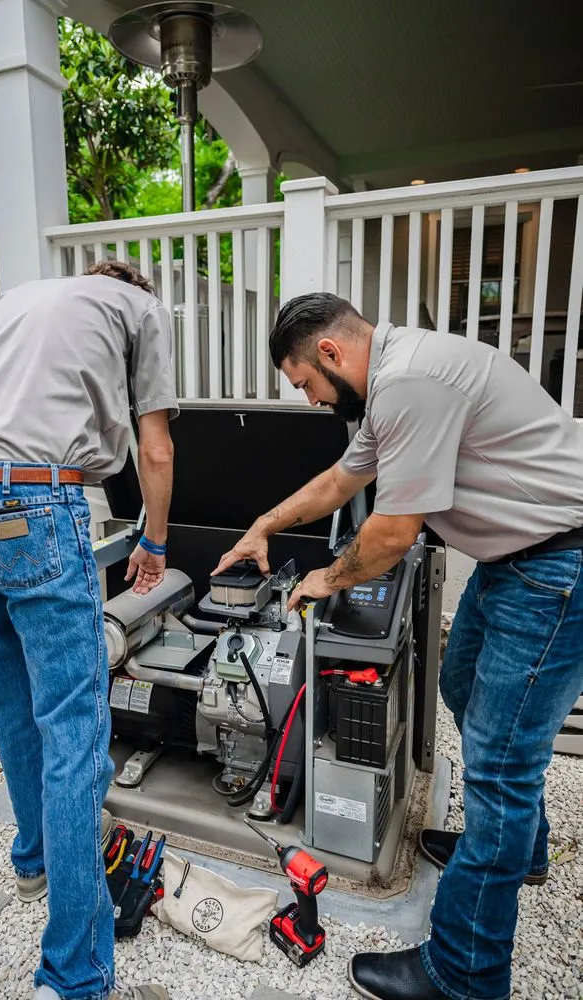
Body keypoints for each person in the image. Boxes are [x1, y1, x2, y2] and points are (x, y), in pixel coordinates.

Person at [213, 292, 583, 1000]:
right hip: (517, 562)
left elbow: (390, 534)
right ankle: (519, 849)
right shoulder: (392, 378)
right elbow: (339, 481)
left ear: (330, 352)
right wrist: (263, 524)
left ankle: (464, 974)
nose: (313, 400)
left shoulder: (410, 380)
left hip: (554, 569)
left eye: (307, 384)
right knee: (461, 685)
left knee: (499, 764)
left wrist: (325, 579)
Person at [0, 261, 176, 1000]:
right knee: (74, 730)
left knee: (11, 697)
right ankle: (74, 975)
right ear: (135, 287)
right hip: (36, 503)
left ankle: (34, 858)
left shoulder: (10, 301)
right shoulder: (139, 308)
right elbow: (156, 447)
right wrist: (155, 541)